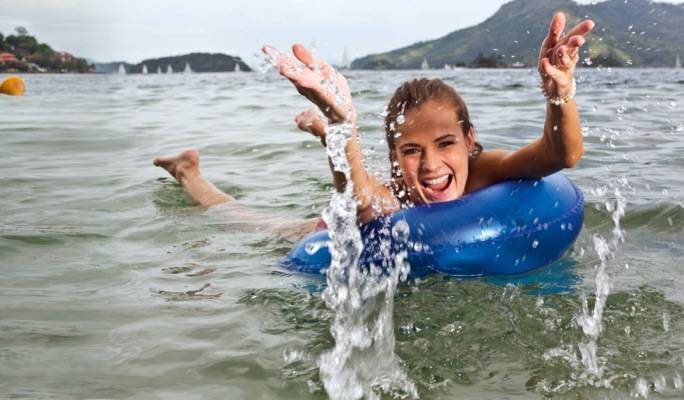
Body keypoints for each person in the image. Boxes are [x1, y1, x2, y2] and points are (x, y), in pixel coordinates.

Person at [154, 12, 594, 238]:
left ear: (469, 141)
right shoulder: (394, 195)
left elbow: (562, 155)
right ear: (394, 157)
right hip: (324, 232)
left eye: (445, 144)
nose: (431, 165)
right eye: (411, 150)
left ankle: (327, 135)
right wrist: (342, 125)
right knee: (249, 223)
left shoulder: (484, 170)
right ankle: (188, 172)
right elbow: (361, 199)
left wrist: (559, 93)